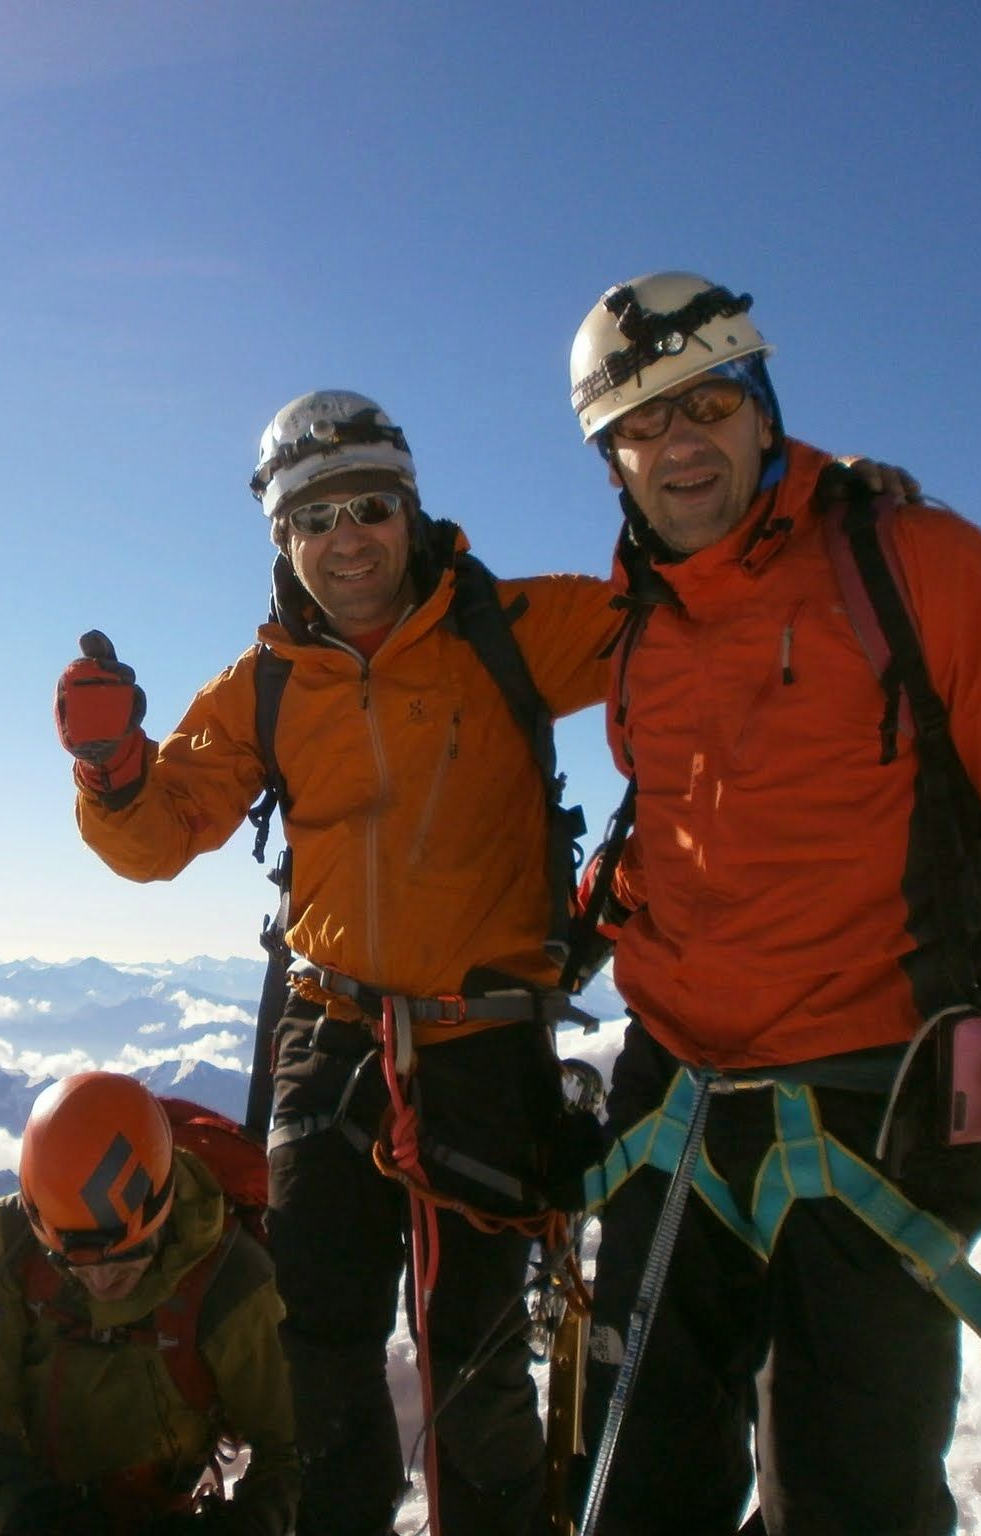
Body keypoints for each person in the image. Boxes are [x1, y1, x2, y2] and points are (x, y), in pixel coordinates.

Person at [560, 271, 981, 1534]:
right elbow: (686, 829)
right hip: (673, 1101)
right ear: (608, 458)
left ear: (763, 403)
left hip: (874, 1107)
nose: (678, 445)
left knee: (850, 1507)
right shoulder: (638, 622)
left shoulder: (914, 565)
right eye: (638, 424)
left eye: (709, 402)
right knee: (631, 1499)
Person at [54, 388, 629, 1535]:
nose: (343, 539)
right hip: (329, 1036)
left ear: (410, 511)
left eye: (367, 506)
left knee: (473, 1364)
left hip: (483, 1042)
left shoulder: (514, 628)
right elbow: (160, 836)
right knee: (314, 1347)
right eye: (312, 520)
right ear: (281, 539)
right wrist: (111, 767)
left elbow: (685, 619)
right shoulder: (263, 684)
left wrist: (823, 521)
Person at [0, 1071, 297, 1534]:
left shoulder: (229, 1280)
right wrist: (31, 1513)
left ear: (163, 1206)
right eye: (70, 1260)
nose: (100, 1278)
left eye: (127, 1255)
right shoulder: (10, 1242)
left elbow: (292, 1447)